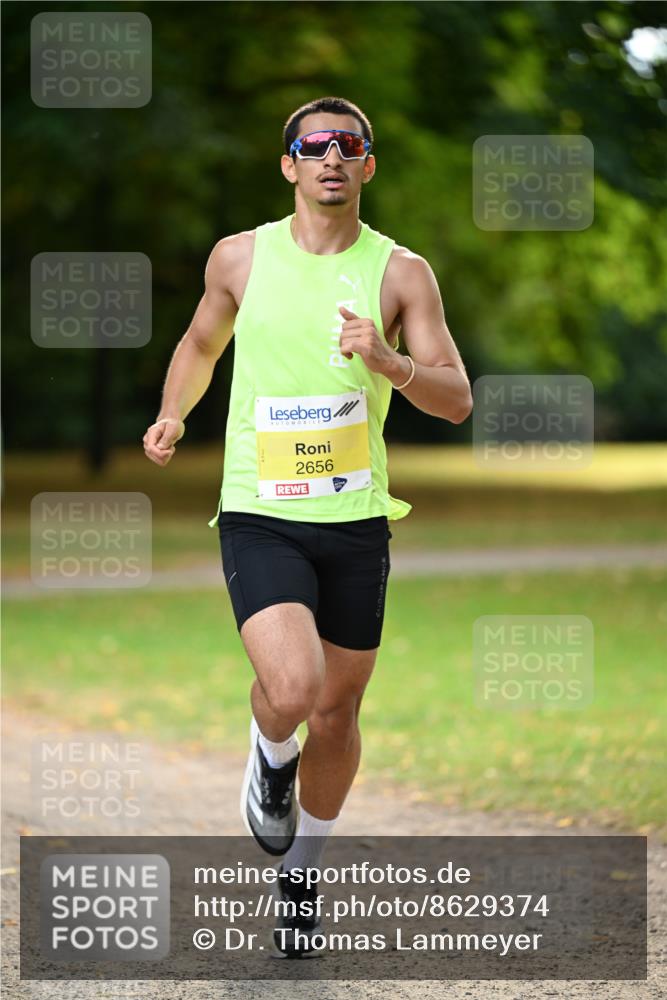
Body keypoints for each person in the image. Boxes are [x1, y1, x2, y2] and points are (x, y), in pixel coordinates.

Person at [143, 95, 472, 957]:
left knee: (337, 710)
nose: (330, 157)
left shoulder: (402, 273)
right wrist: (174, 413)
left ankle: (300, 877)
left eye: (347, 145)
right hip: (260, 511)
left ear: (367, 165)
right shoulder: (239, 258)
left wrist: (387, 359)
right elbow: (200, 343)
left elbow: (455, 398)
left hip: (357, 519)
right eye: (312, 145)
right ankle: (266, 752)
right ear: (288, 164)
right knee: (292, 692)